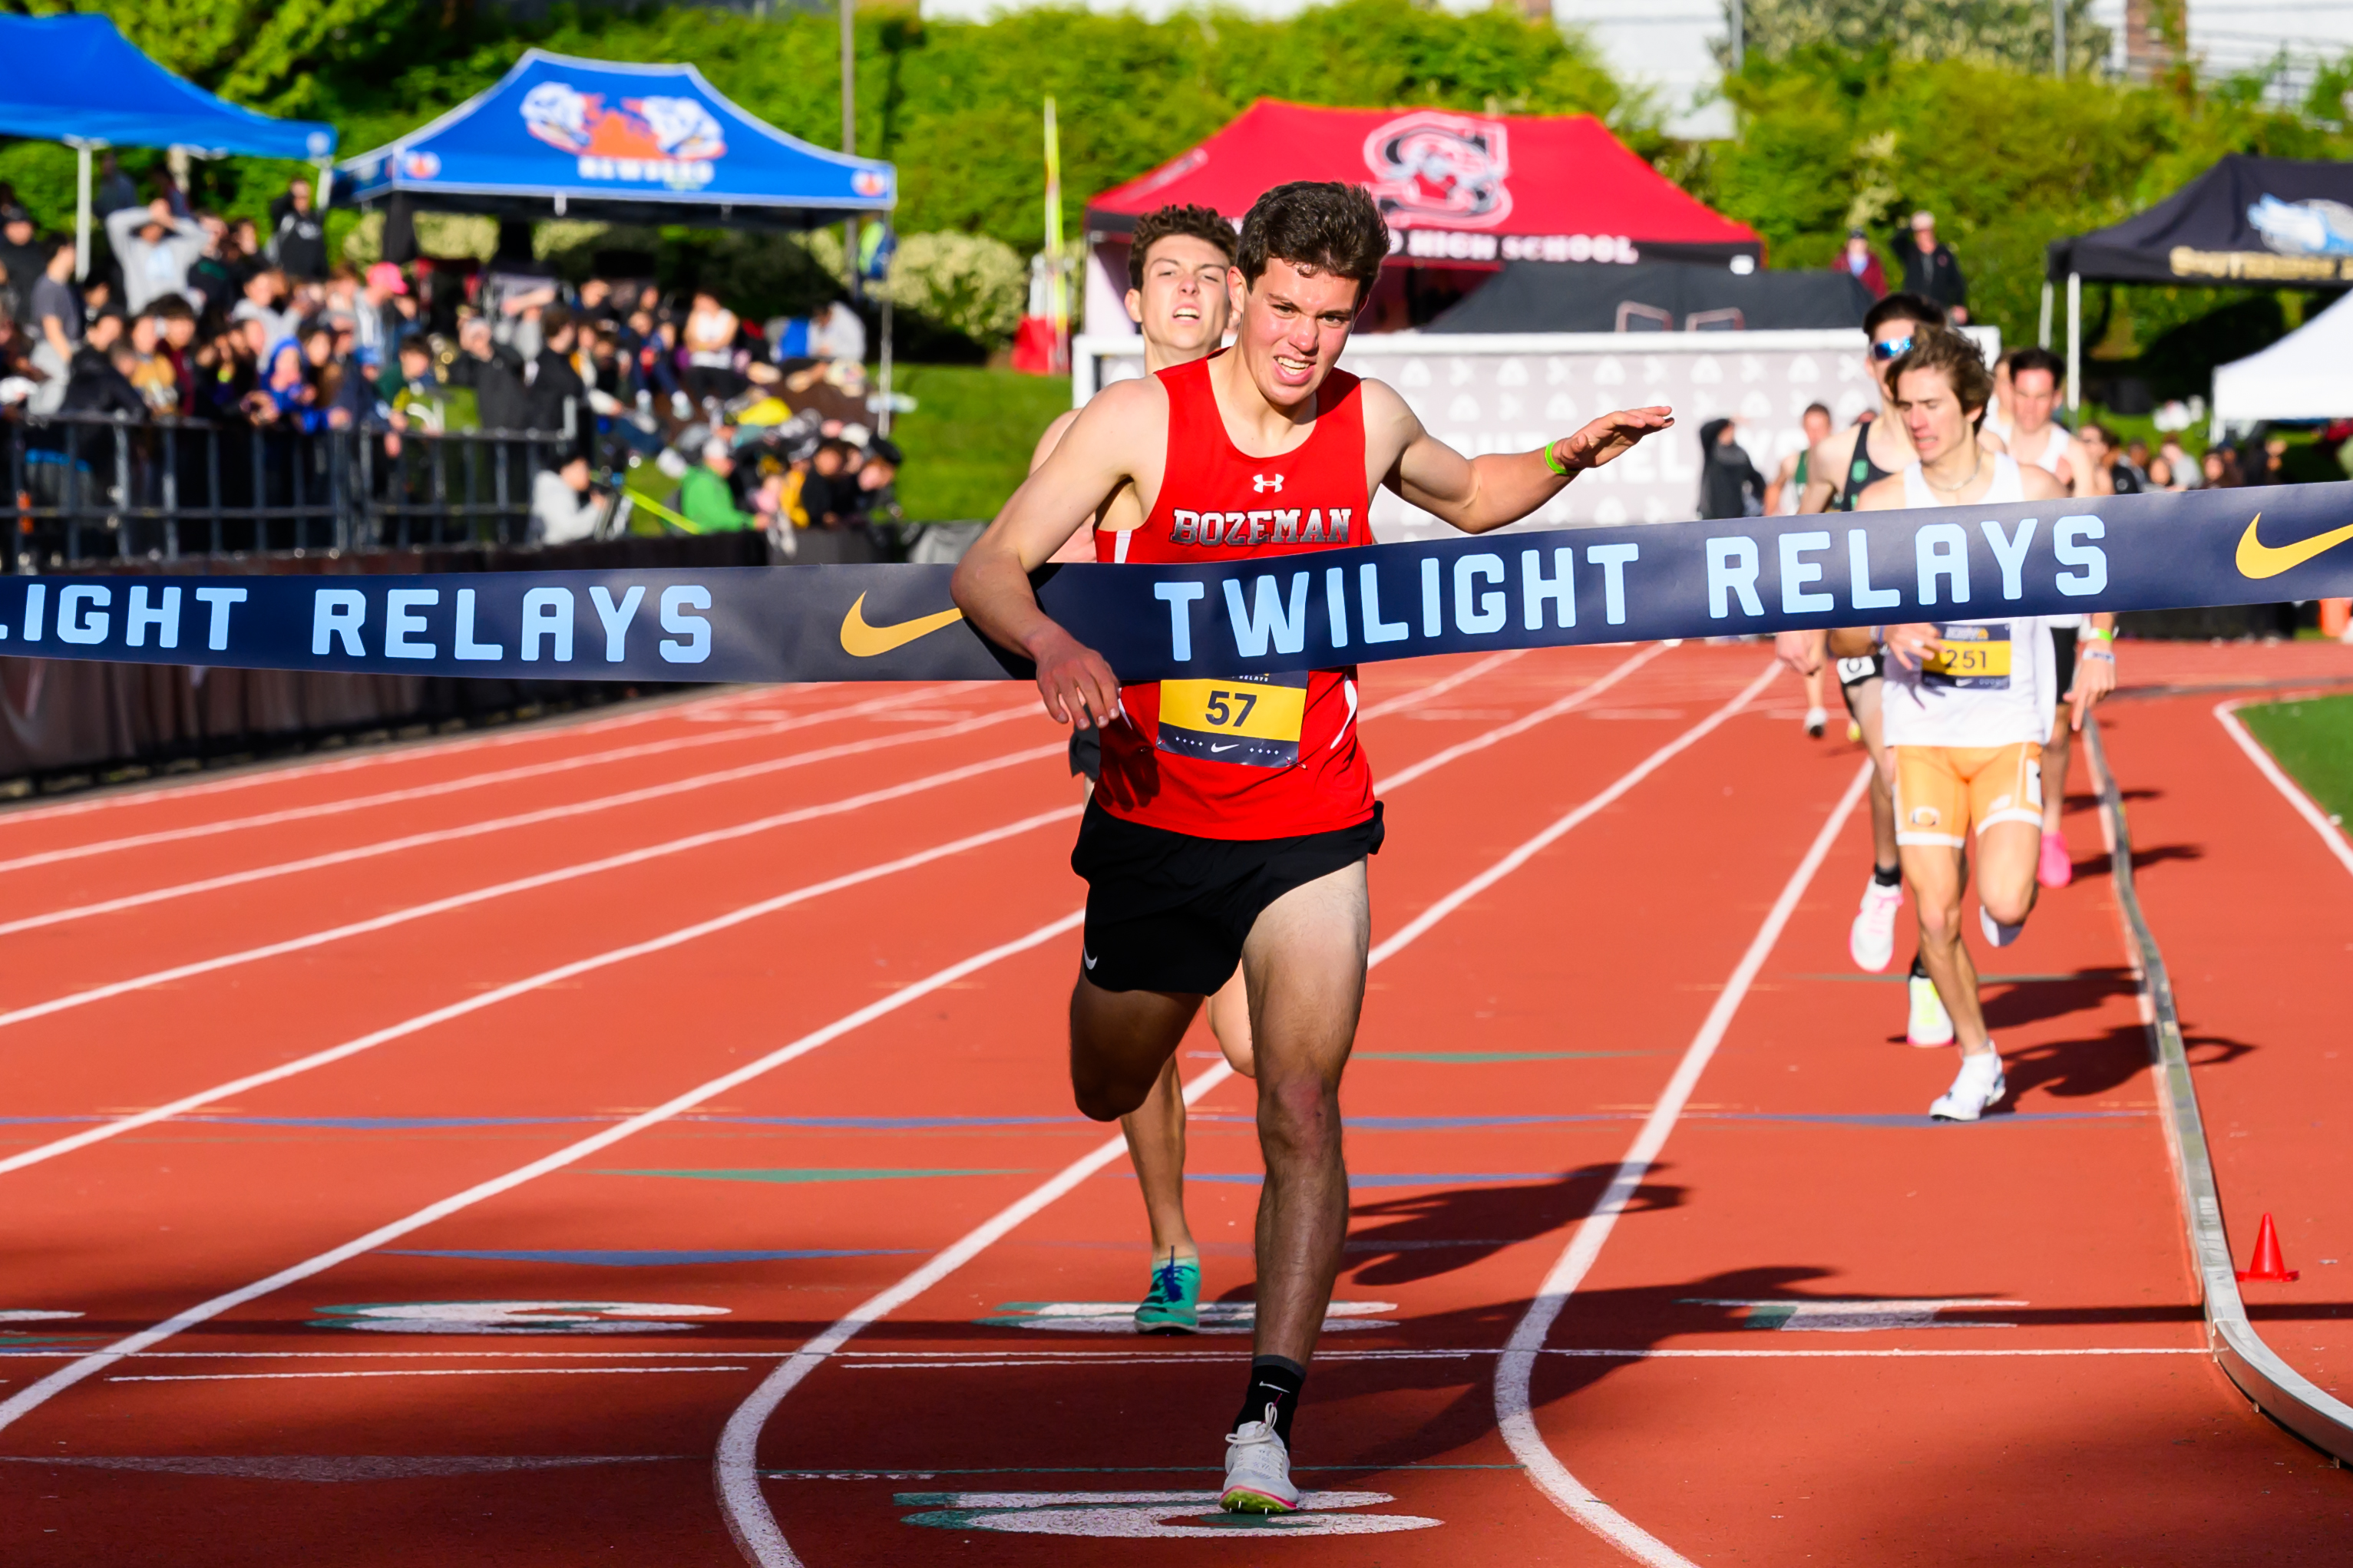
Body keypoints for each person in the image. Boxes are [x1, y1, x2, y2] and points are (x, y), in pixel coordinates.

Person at [950, 180, 1671, 1514]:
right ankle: (1137, 1023)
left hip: (1314, 815)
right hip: (1157, 821)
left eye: (1332, 320)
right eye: (1285, 309)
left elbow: (1471, 496)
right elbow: (989, 566)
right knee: (1106, 1080)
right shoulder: (1135, 421)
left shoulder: (1368, 415)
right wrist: (1053, 642)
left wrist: (1574, 454)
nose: (1304, 344)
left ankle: (1265, 1419)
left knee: (1299, 1101)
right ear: (1243, 288)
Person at [1026, 203, 1252, 1337]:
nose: (1186, 293)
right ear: (1135, 297)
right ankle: (1171, 1237)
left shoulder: (1274, 429)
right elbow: (1028, 577)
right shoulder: (1085, 431)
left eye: (1210, 276)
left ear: (1234, 300)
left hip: (1260, 748)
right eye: (1167, 274)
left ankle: (1297, 1182)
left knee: (1263, 1043)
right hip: (1135, 751)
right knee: (1148, 1023)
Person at [1831, 325, 2106, 1119]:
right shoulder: (1881, 506)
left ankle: (2005, 889)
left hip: (2008, 727)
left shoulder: (2030, 491)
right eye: (1904, 405)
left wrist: (2097, 644)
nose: (1913, 421)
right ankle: (1978, 1059)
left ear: (1973, 407)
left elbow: (2105, 559)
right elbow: (1843, 631)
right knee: (1933, 913)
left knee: (2007, 906)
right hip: (1919, 734)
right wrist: (1885, 631)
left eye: (1929, 405)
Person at [1785, 292, 1952, 1040]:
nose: (1898, 363)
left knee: (1945, 814)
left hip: (1949, 639)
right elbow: (1792, 538)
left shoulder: (1953, 446)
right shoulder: (1836, 455)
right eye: (1886, 352)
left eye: (1912, 347)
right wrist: (1792, 624)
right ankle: (1887, 884)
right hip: (1865, 644)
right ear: (1869, 365)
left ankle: (1930, 957)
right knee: (1896, 770)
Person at [1766, 402, 1836, 738]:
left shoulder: (1840, 459)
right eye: (1809, 427)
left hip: (1836, 550)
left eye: (1820, 427)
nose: (1815, 434)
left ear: (1830, 427)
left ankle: (1857, 703)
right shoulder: (1794, 462)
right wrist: (1772, 520)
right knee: (1814, 633)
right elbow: (1774, 486)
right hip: (1804, 554)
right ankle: (1816, 708)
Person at [104, 198, 207, 315]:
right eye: (150, 224)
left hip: (174, 314)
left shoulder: (176, 247)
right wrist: (150, 213)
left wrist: (170, 221)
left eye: (159, 225)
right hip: (143, 315)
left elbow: (202, 236)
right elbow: (113, 222)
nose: (155, 229)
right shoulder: (130, 248)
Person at [28, 237, 81, 414]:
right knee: (49, 412)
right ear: (62, 251)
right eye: (72, 251)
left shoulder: (64, 287)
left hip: (61, 353)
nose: (75, 256)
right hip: (54, 355)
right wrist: (73, 363)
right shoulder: (48, 287)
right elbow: (52, 331)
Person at [680, 436, 775, 532]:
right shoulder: (703, 482)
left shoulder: (713, 479)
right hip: (708, 541)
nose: (732, 464)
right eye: (727, 458)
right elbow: (718, 518)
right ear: (712, 459)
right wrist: (752, 522)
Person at [1899, 211, 1967, 324]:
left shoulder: (1944, 254)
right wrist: (1911, 225)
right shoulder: (1910, 253)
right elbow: (1895, 242)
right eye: (1919, 232)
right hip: (1914, 310)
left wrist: (1960, 305)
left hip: (1939, 310)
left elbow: (1957, 282)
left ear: (1932, 231)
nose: (1923, 235)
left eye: (1926, 231)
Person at [531, 454, 609, 544]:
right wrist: (596, 508)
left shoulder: (559, 491)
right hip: (554, 554)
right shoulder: (555, 493)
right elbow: (568, 530)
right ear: (565, 469)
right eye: (582, 469)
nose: (588, 474)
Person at [1697, 417, 1765, 520]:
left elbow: (1755, 478)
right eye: (1725, 429)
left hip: (1736, 511)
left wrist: (1766, 497)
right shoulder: (1712, 449)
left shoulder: (1740, 454)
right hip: (1712, 511)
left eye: (1731, 429)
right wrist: (1728, 419)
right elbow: (1705, 430)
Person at [268, 180, 328, 282]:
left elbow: (320, 250)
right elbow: (275, 207)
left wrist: (324, 276)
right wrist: (291, 193)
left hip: (311, 279)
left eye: (304, 197)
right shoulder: (286, 216)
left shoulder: (316, 218)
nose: (301, 200)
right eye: (297, 197)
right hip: (289, 278)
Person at [1839, 227, 1887, 298]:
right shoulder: (1839, 263)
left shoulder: (1874, 263)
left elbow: (1881, 289)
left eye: (1861, 242)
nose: (1858, 246)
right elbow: (1835, 288)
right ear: (1847, 244)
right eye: (1854, 243)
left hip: (1869, 305)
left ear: (1866, 244)